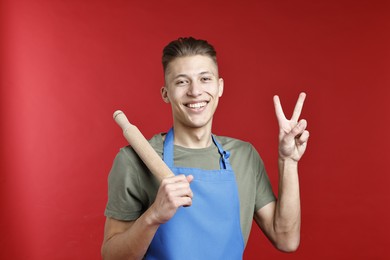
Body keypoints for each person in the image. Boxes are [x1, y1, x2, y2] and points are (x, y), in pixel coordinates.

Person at [101, 37, 309, 260]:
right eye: (182, 82)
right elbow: (111, 256)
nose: (195, 91)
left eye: (205, 79)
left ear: (219, 87)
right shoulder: (134, 160)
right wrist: (153, 216)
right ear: (165, 93)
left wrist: (288, 161)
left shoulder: (244, 156)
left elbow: (286, 239)